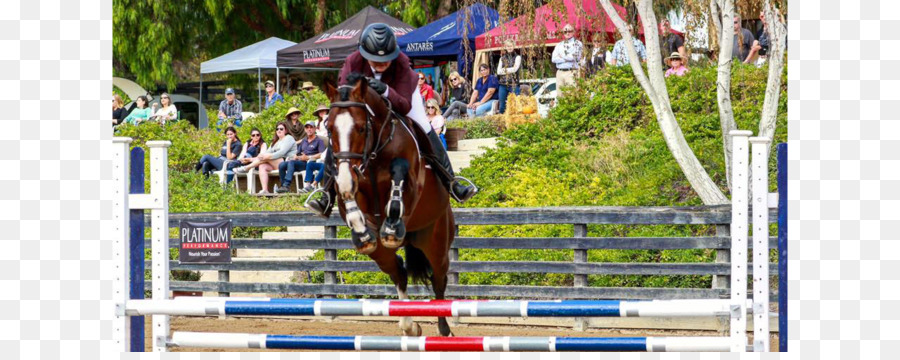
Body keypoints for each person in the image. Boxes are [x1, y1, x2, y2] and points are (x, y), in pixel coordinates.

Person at [306, 23, 477, 216]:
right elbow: (344, 97)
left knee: (423, 127)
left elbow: (403, 105)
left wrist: (385, 90)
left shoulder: (402, 63)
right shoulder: (353, 62)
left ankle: (451, 182)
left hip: (402, 98)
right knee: (343, 135)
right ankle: (326, 195)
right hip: (365, 104)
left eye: (385, 60)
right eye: (375, 61)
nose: (380, 64)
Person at [234, 122, 296, 194]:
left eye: (281, 129)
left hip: (286, 162)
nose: (279, 130)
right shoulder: (275, 142)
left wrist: (269, 156)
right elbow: (265, 154)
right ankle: (265, 189)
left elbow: (282, 152)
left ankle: (247, 168)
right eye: (277, 129)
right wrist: (251, 159)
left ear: (285, 130)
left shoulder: (288, 138)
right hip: (275, 163)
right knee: (262, 166)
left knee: (266, 157)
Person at [276, 121, 327, 194]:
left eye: (311, 127)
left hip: (311, 163)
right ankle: (283, 186)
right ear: (305, 130)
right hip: (301, 162)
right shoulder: (304, 140)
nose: (309, 129)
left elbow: (321, 154)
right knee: (282, 165)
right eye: (307, 127)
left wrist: (308, 157)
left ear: (315, 129)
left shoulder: (319, 141)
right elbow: (298, 152)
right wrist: (296, 156)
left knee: (291, 163)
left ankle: (286, 185)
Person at [551, 24, 584, 88]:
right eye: (565, 32)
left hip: (571, 72)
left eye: (569, 31)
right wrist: (566, 58)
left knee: (571, 94)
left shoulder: (577, 43)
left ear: (573, 32)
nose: (567, 33)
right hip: (560, 72)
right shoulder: (559, 45)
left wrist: (561, 55)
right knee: (560, 95)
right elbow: (554, 59)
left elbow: (574, 57)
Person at [496, 40, 522, 114]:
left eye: (510, 46)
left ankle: (516, 120)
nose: (509, 47)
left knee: (516, 103)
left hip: (513, 84)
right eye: (508, 46)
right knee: (502, 105)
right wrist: (509, 69)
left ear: (513, 46)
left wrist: (503, 70)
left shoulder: (517, 57)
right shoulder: (502, 58)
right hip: (502, 84)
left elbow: (515, 69)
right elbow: (498, 71)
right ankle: (502, 119)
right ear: (505, 47)